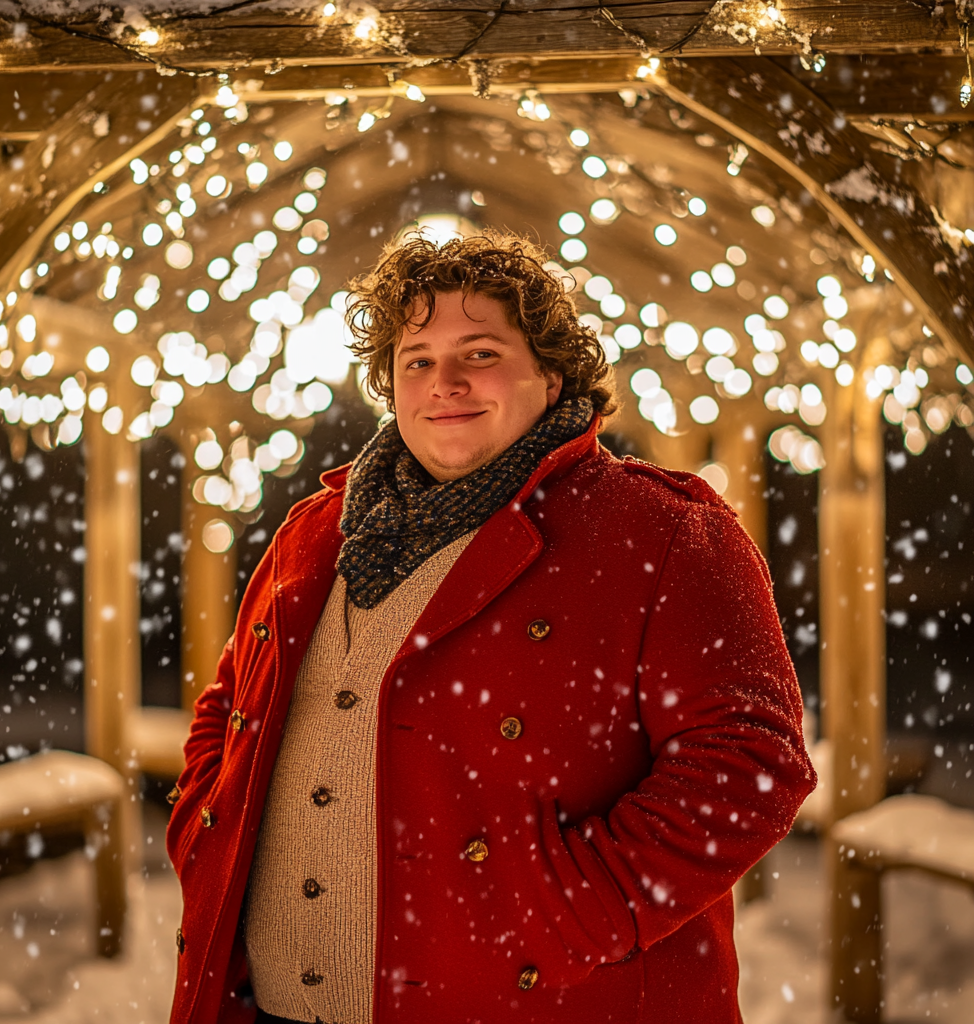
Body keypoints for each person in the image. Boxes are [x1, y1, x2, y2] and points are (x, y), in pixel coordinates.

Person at [166, 233, 816, 1024]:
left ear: (550, 371)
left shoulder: (663, 532)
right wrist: (205, 836)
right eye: (416, 360)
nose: (444, 383)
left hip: (534, 1004)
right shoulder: (315, 533)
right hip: (266, 1008)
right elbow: (230, 704)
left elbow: (749, 763)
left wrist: (573, 913)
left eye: (479, 353)